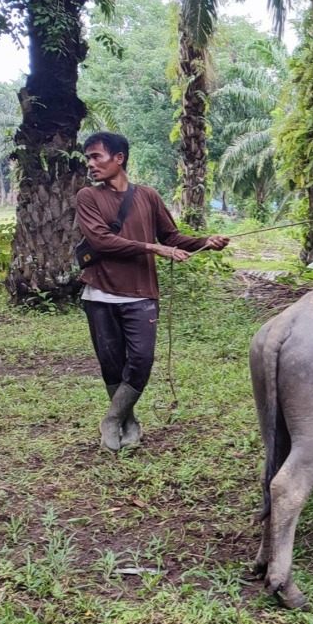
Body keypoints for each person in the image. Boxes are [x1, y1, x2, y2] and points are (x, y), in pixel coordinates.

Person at [75, 132, 230, 452]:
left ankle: (111, 419)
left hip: (142, 294)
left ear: (119, 158)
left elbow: (171, 237)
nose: (90, 164)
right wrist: (154, 248)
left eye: (96, 156)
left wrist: (205, 242)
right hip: (100, 293)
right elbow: (101, 240)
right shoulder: (88, 197)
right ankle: (128, 422)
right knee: (111, 363)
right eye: (88, 158)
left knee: (141, 360)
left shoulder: (148, 196)